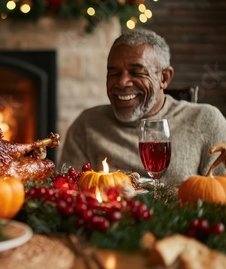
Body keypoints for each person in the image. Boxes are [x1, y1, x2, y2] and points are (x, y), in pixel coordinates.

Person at [59, 28, 226, 187]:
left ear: (164, 78)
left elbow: (219, 198)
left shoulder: (206, 121)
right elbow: (67, 194)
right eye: (114, 73)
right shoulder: (87, 124)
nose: (122, 82)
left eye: (137, 73)